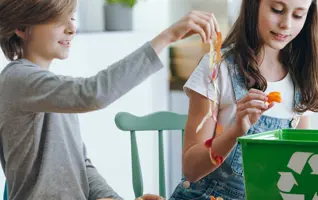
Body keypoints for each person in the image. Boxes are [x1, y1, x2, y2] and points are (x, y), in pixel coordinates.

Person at [0, 0, 220, 199]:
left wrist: (111, 198)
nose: (71, 28)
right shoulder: (16, 80)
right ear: (21, 27)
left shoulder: (51, 90)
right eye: (58, 20)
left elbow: (81, 167)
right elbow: (92, 93)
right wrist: (168, 36)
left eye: (72, 18)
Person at [169, 0, 318, 199]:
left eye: (298, 15)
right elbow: (191, 169)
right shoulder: (218, 69)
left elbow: (300, 167)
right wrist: (236, 131)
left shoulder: (301, 79)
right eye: (277, 10)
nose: (286, 23)